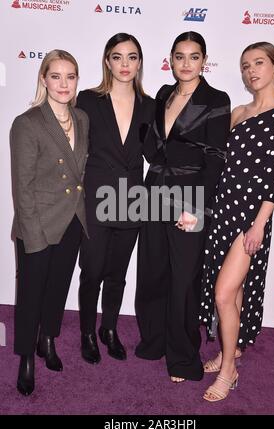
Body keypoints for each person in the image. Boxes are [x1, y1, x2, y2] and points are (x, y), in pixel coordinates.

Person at [200, 42, 274, 402]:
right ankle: (231, 351)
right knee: (235, 291)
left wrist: (259, 224)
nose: (251, 70)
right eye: (245, 65)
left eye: (259, 63)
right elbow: (217, 161)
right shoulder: (238, 112)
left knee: (223, 293)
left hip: (251, 217)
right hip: (222, 208)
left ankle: (229, 371)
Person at [135, 31, 231, 382]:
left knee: (184, 279)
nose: (186, 63)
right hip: (154, 192)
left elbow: (216, 158)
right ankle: (155, 340)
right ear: (171, 59)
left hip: (189, 198)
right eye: (179, 56)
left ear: (204, 60)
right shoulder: (163, 94)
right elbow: (151, 148)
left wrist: (195, 207)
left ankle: (182, 357)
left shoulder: (217, 99)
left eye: (193, 56)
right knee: (153, 269)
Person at [10, 49, 89, 396]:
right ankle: (26, 357)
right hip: (37, 224)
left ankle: (47, 340)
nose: (63, 84)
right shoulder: (27, 123)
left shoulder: (82, 118)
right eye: (55, 76)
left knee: (57, 289)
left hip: (71, 220)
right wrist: (34, 235)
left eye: (70, 76)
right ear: (43, 79)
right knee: (30, 295)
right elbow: (21, 187)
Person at [77, 33, 155, 363]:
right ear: (107, 61)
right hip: (96, 197)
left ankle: (109, 328)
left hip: (132, 199)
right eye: (118, 57)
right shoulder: (88, 99)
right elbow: (75, 149)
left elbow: (156, 152)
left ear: (139, 62)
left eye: (132, 57)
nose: (125, 64)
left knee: (117, 273)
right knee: (92, 269)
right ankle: (86, 332)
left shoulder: (151, 105)